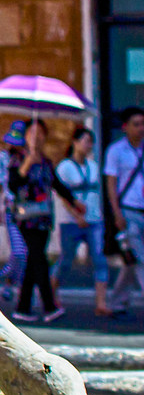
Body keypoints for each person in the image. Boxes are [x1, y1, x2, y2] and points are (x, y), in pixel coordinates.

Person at [55, 123, 111, 317]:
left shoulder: (93, 166)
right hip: (71, 221)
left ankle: (101, 303)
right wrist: (76, 215)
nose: (89, 146)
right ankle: (52, 292)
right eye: (86, 142)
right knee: (66, 260)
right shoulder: (64, 167)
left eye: (91, 143)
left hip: (94, 218)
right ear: (75, 143)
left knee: (99, 259)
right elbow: (63, 196)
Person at [8, 135, 61, 322]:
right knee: (39, 258)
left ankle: (22, 307)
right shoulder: (18, 160)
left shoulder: (46, 162)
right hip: (26, 217)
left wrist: (75, 203)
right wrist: (27, 163)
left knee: (34, 260)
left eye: (40, 134)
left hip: (43, 217)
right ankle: (49, 306)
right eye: (32, 133)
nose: (36, 138)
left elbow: (57, 184)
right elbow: (13, 184)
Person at [105, 108, 144, 311]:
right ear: (125, 127)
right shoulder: (116, 151)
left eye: (142, 124)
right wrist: (117, 213)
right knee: (140, 257)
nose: (140, 129)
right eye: (136, 124)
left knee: (130, 262)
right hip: (128, 210)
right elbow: (111, 184)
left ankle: (117, 302)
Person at [0, 121, 30, 302]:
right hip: (10, 208)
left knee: (25, 251)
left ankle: (14, 283)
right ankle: (9, 281)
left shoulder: (28, 158)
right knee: (19, 251)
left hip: (29, 210)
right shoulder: (3, 158)